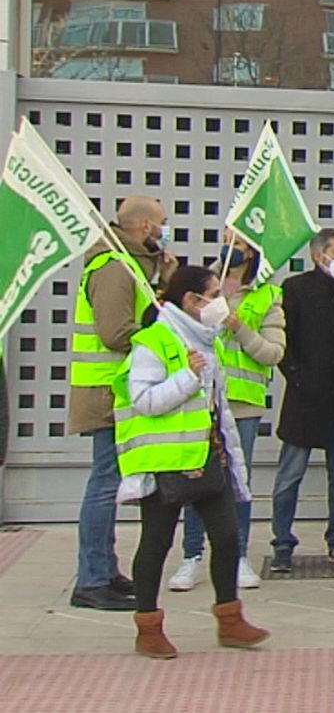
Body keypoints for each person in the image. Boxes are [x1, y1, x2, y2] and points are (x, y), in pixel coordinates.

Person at [117, 266, 269, 658]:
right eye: (213, 294)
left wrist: (229, 453)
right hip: (166, 461)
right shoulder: (154, 341)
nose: (220, 302)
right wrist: (187, 377)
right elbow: (144, 400)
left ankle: (231, 620)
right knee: (156, 543)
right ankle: (148, 626)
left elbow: (217, 406)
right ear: (190, 300)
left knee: (227, 536)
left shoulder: (208, 340)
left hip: (206, 455)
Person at [69, 196, 176, 611]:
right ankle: (92, 578)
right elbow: (116, 332)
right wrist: (158, 336)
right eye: (162, 223)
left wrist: (165, 277)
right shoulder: (113, 267)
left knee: (108, 481)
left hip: (115, 389)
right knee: (104, 483)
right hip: (105, 390)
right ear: (145, 227)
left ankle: (104, 570)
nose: (166, 230)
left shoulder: (131, 264)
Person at [170, 232, 283, 594]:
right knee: (195, 476)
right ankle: (191, 556)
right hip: (201, 398)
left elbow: (273, 353)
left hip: (243, 404)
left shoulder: (267, 293)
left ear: (252, 250)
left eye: (239, 241)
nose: (231, 246)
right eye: (226, 238)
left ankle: (238, 557)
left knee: (237, 481)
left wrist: (240, 328)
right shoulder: (204, 283)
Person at [271, 228, 334, 573]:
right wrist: (299, 378)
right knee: (290, 475)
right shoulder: (296, 288)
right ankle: (282, 543)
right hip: (305, 399)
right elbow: (286, 341)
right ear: (319, 255)